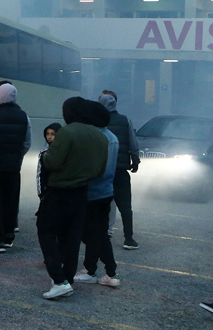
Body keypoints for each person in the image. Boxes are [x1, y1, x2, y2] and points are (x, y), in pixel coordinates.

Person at [37, 97, 108, 300]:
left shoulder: (67, 132)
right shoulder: (99, 135)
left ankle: (59, 280)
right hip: (82, 194)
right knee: (72, 238)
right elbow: (101, 169)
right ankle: (67, 279)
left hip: (59, 191)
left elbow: (53, 162)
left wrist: (44, 157)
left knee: (46, 230)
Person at [73, 102, 121, 288]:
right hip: (106, 191)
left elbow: (91, 168)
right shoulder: (112, 137)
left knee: (93, 234)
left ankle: (111, 271)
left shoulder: (94, 137)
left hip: (92, 191)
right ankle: (90, 269)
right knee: (98, 232)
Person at [0, 83, 31, 253]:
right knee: (11, 201)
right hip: (13, 167)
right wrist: (17, 157)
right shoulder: (24, 116)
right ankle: (9, 236)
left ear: (0, 96)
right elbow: (27, 143)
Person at [98, 91, 141, 250]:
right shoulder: (125, 120)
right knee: (125, 207)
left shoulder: (98, 122)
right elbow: (133, 143)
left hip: (102, 172)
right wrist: (135, 161)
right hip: (121, 170)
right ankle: (129, 238)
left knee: (102, 204)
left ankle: (101, 233)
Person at [37, 123, 61, 199]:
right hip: (48, 189)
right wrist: (40, 193)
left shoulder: (64, 151)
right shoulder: (43, 152)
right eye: (47, 134)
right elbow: (40, 174)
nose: (49, 137)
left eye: (53, 134)